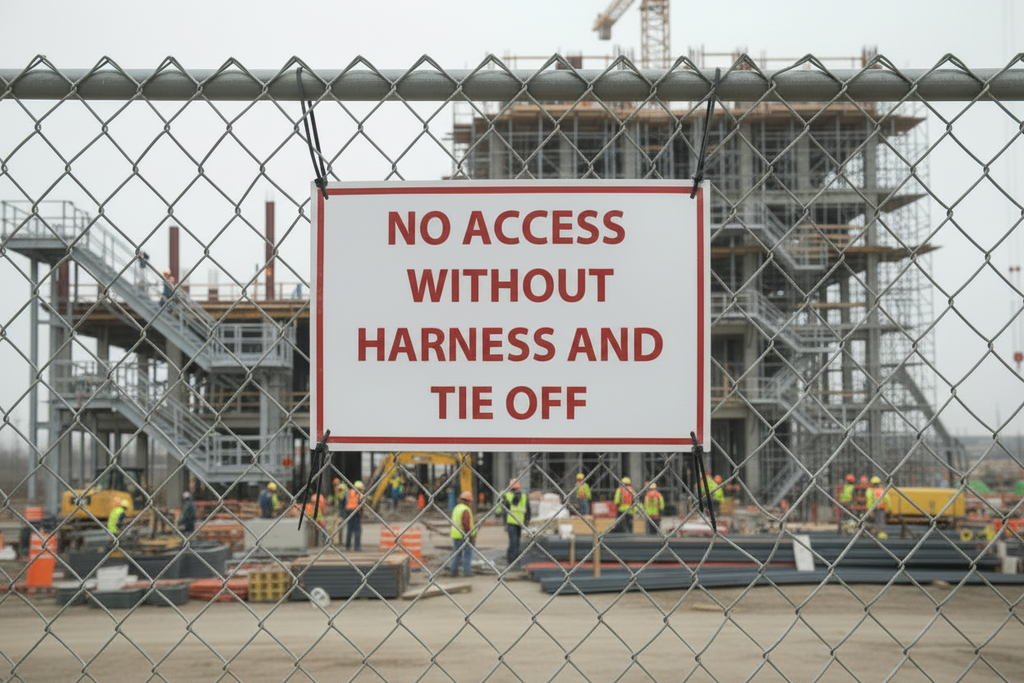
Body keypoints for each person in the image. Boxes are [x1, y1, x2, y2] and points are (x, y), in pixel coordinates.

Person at [499, 478, 531, 568]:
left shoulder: (523, 497)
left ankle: (513, 560)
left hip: (518, 523)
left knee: (516, 543)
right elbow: (507, 509)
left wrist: (527, 520)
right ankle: (512, 561)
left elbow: (527, 510)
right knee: (514, 542)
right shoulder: (508, 496)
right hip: (512, 523)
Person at [447, 490, 476, 576]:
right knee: (467, 553)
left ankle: (453, 570)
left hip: (456, 535)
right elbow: (466, 524)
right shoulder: (465, 510)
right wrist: (469, 535)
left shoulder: (456, 508)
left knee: (457, 553)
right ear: (467, 501)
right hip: (464, 535)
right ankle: (467, 572)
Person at [345, 481, 364, 551]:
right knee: (357, 530)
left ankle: (348, 546)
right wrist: (361, 514)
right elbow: (361, 504)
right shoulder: (359, 494)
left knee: (349, 529)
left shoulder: (350, 492)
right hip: (356, 511)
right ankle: (357, 547)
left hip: (348, 511)